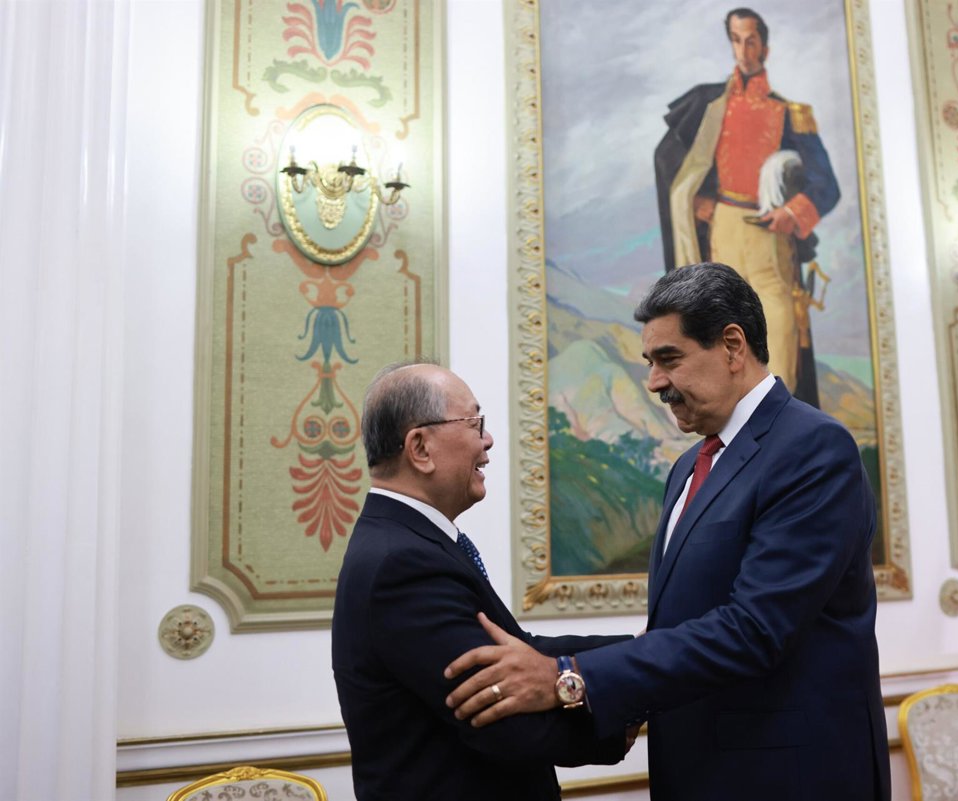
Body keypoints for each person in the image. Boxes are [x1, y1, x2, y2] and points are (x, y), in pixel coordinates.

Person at [444, 264, 889, 800]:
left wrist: (570, 677)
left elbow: (754, 629)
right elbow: (682, 624)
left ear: (732, 346)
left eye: (669, 359)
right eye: (649, 363)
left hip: (790, 778)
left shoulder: (813, 448)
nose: (654, 382)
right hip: (697, 772)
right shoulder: (687, 468)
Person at [332, 362, 632, 801]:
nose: (487, 440)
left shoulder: (407, 542)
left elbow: (518, 650)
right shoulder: (404, 563)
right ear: (420, 448)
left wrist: (641, 650)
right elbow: (503, 720)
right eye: (475, 423)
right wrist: (624, 711)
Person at [655, 7, 840, 406]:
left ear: (765, 48)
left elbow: (827, 185)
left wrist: (791, 214)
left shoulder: (790, 114)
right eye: (736, 40)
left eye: (751, 41)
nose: (743, 49)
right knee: (721, 346)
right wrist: (696, 199)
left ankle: (781, 432)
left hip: (770, 238)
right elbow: (674, 160)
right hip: (723, 233)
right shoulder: (710, 105)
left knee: (779, 339)